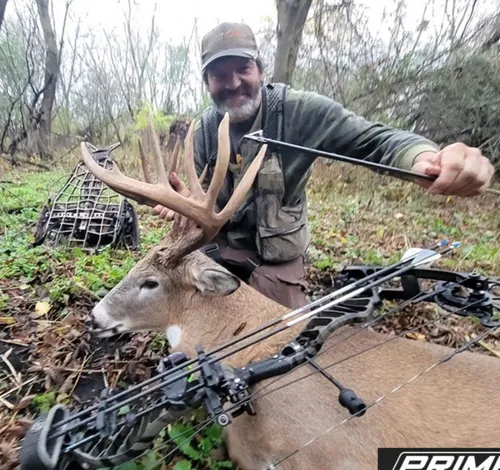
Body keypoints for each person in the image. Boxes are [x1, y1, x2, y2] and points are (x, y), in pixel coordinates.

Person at [153, 22, 495, 309]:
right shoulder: (203, 131)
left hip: (275, 258)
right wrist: (185, 206)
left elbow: (374, 141)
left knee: (280, 340)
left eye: (242, 69)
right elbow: (199, 197)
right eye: (218, 75)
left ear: (260, 70)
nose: (232, 83)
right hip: (219, 251)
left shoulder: (301, 112)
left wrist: (422, 159)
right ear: (207, 83)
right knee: (184, 315)